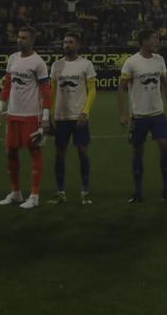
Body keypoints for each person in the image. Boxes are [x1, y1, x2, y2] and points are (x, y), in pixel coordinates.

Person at [0, 26, 51, 209]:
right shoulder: (12, 58)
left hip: (30, 115)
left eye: (24, 38)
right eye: (18, 37)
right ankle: (16, 193)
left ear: (32, 40)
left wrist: (45, 118)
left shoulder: (38, 62)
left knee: (34, 152)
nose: (20, 40)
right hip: (13, 114)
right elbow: (7, 85)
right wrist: (0, 107)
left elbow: (46, 92)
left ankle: (34, 195)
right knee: (10, 152)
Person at [118, 28, 167, 203]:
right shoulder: (131, 62)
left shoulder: (160, 60)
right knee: (138, 151)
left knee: (165, 147)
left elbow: (165, 84)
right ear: (143, 42)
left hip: (158, 114)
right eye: (154, 38)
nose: (157, 41)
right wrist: (123, 113)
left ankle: (166, 189)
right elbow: (121, 88)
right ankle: (137, 192)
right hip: (139, 116)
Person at [49, 30, 96, 205]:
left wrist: (85, 112)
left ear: (78, 44)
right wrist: (50, 114)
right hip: (61, 118)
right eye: (65, 42)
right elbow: (52, 92)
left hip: (79, 116)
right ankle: (60, 192)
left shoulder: (86, 64)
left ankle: (85, 191)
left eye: (70, 42)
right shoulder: (56, 66)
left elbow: (92, 91)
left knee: (82, 152)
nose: (66, 45)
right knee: (59, 154)